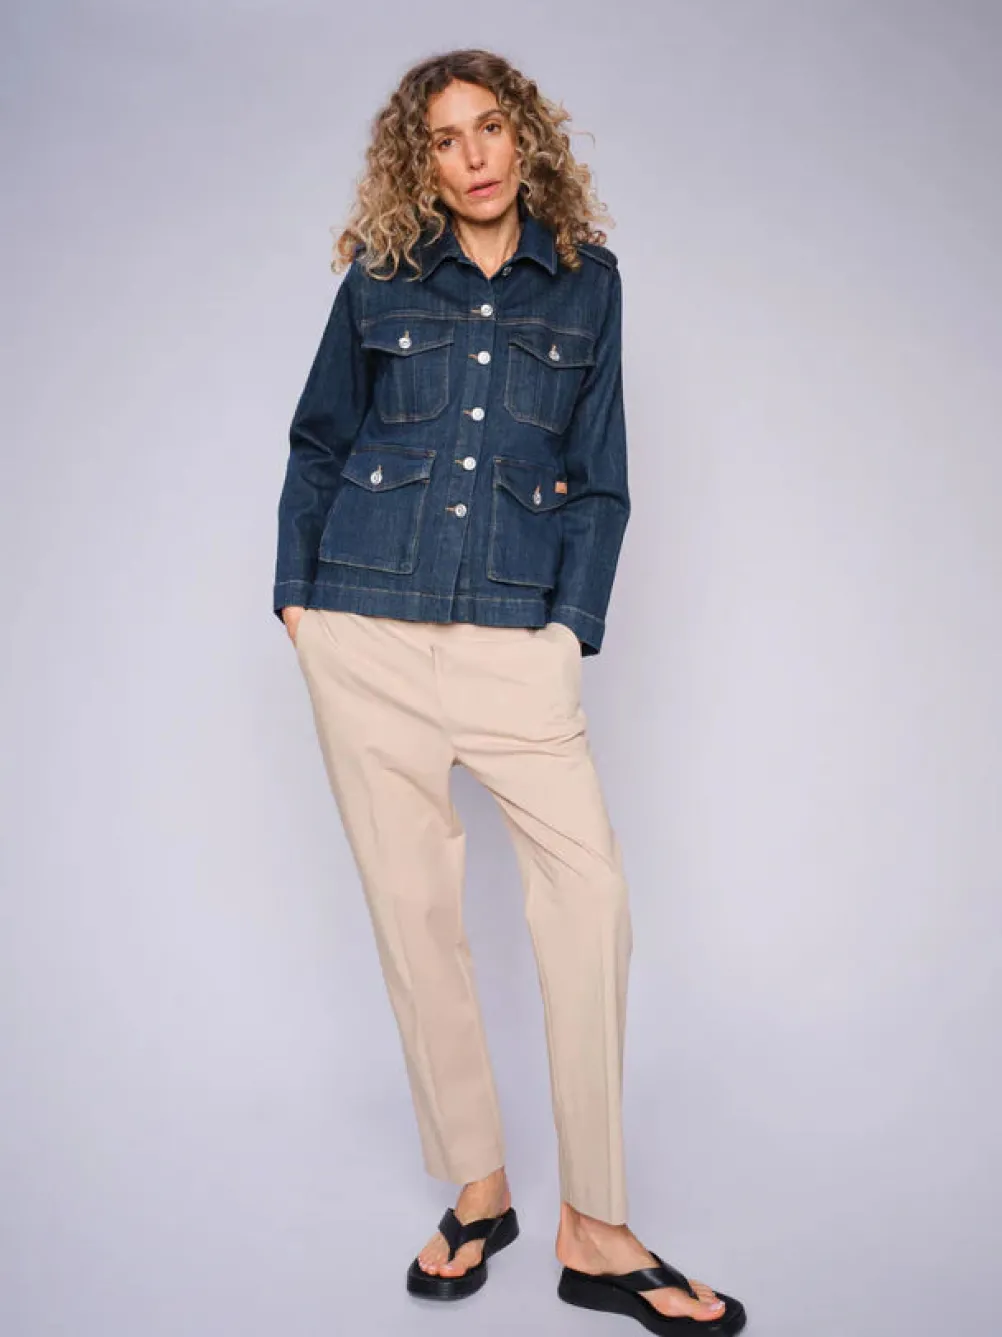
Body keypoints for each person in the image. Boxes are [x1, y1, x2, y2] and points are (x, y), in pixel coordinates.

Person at [273, 47, 746, 1333]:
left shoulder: (589, 284)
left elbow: (602, 476)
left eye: (490, 127)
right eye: (444, 138)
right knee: (415, 915)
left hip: (512, 646)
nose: (473, 155)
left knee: (591, 903)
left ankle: (596, 1222)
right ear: (418, 161)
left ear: (526, 137)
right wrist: (301, 606)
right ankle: (479, 1188)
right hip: (364, 630)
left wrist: (565, 631)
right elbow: (319, 440)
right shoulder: (380, 278)